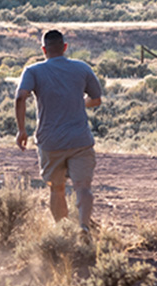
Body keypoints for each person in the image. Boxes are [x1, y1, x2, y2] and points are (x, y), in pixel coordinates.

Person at [15, 29, 105, 227]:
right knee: (83, 187)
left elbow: (20, 97)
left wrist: (22, 130)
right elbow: (96, 99)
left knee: (56, 189)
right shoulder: (82, 68)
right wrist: (79, 102)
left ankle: (63, 232)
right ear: (65, 47)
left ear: (43, 50)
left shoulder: (33, 71)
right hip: (80, 140)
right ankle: (83, 227)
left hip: (50, 141)